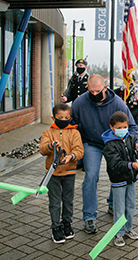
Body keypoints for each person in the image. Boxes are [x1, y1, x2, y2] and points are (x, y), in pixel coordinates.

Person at [71, 74, 138, 234]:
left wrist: (132, 144)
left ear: (105, 88)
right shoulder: (79, 103)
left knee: (118, 172)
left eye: (98, 91)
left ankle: (113, 203)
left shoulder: (117, 103)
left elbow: (133, 126)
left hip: (113, 144)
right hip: (91, 143)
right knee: (91, 176)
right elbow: (72, 127)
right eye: (91, 91)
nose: (94, 94)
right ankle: (89, 217)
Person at [39, 103, 84, 243]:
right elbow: (42, 150)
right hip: (52, 173)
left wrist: (71, 156)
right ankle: (55, 227)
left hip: (69, 172)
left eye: (66, 117)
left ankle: (67, 223)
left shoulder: (75, 133)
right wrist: (51, 146)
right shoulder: (47, 133)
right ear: (54, 117)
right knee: (54, 202)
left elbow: (79, 150)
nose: (63, 120)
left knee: (68, 200)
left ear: (70, 118)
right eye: (60, 117)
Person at [102, 111, 138, 247]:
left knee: (130, 206)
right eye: (119, 128)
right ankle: (118, 233)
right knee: (119, 208)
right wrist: (130, 165)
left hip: (131, 179)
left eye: (125, 127)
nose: (122, 130)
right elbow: (114, 164)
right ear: (112, 127)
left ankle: (128, 229)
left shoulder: (131, 138)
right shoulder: (109, 145)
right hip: (118, 180)